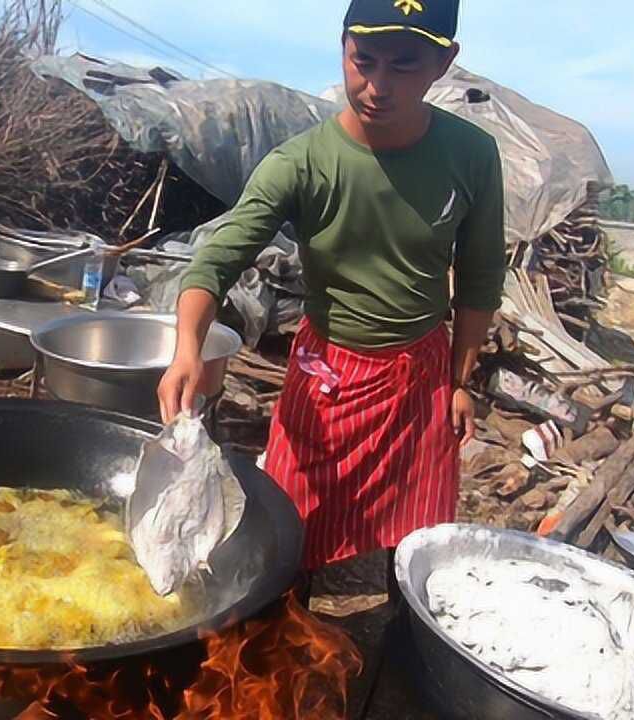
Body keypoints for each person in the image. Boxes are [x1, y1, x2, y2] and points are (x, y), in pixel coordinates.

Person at [158, 0, 505, 603]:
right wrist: (187, 348)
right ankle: (281, 646)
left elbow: (478, 281)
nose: (377, 86)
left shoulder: (472, 156)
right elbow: (217, 258)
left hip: (419, 374)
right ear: (342, 45)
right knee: (290, 534)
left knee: (418, 546)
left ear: (443, 63)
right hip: (329, 377)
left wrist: (460, 379)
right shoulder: (303, 161)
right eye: (362, 60)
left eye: (403, 65)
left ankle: (404, 645)